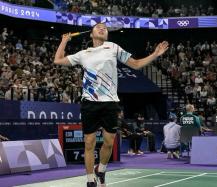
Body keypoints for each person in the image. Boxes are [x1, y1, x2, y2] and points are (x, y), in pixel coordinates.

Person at [54, 23, 168, 187]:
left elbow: (135, 64)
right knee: (89, 142)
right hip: (90, 102)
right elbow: (57, 60)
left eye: (105, 28)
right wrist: (64, 41)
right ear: (91, 34)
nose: (102, 29)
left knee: (108, 143)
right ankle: (90, 180)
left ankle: (101, 169)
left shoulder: (113, 47)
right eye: (98, 27)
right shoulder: (83, 54)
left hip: (110, 102)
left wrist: (155, 54)